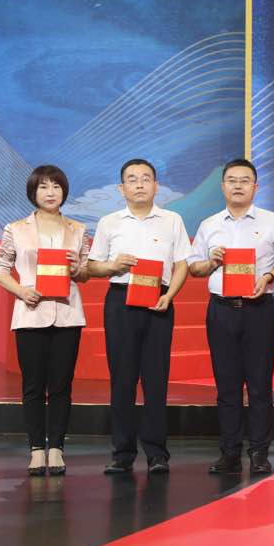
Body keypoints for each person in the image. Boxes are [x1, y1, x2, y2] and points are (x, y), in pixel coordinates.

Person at [84, 158, 191, 474]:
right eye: (132, 179)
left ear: (156, 185)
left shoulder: (172, 220)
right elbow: (93, 266)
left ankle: (157, 453)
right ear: (121, 188)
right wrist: (113, 265)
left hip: (159, 300)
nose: (140, 184)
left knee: (156, 379)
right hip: (121, 302)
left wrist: (170, 295)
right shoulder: (109, 222)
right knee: (122, 379)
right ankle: (123, 453)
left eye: (146, 178)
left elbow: (182, 263)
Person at [187, 158, 274, 475]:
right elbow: (194, 268)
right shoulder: (209, 225)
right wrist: (211, 262)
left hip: (259, 310)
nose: (238, 185)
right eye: (232, 180)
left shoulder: (272, 221)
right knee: (227, 384)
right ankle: (229, 452)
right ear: (223, 187)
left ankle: (259, 451)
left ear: (255, 187)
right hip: (221, 310)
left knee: (259, 384)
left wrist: (268, 277)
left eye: (245, 180)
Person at [0, 165, 90, 477]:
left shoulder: (78, 229)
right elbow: (0, 269)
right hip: (30, 314)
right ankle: (36, 448)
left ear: (64, 191)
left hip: (67, 314)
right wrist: (22, 291)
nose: (51, 192)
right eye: (44, 187)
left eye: (56, 186)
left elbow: (85, 273)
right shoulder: (16, 229)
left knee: (61, 385)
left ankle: (57, 447)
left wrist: (78, 268)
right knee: (33, 385)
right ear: (33, 192)